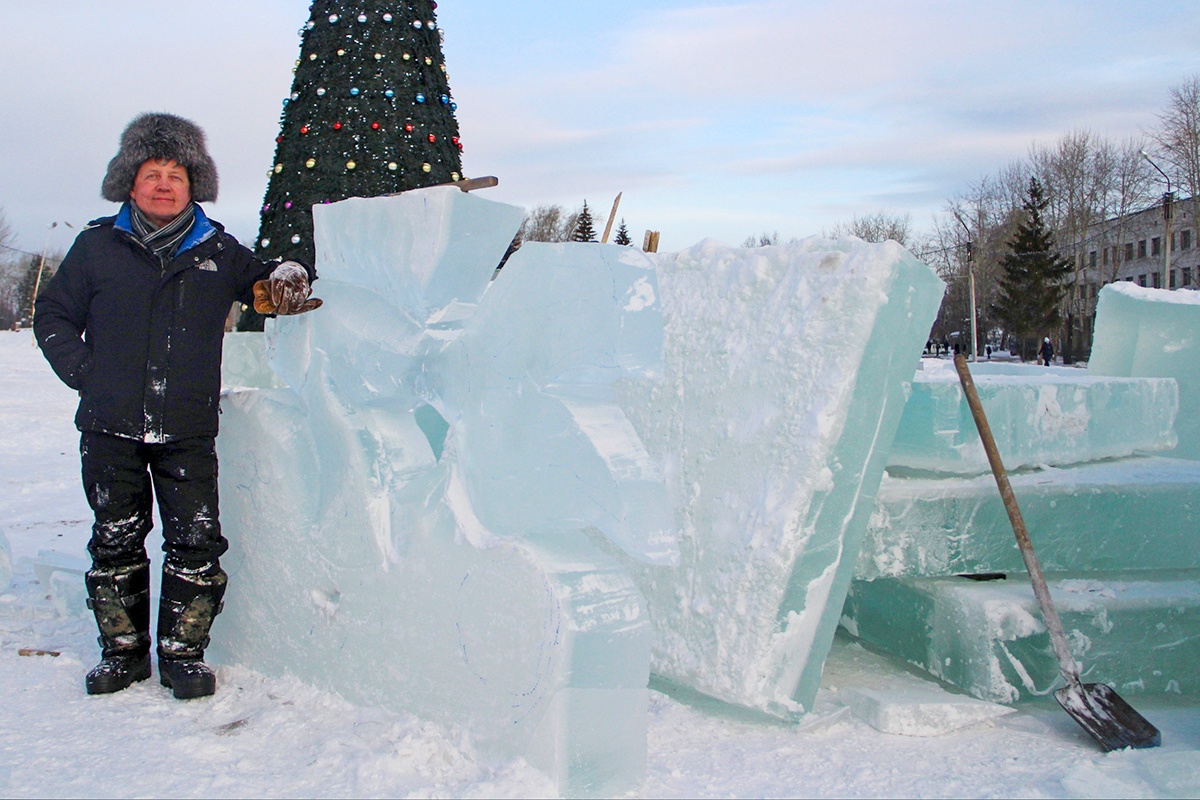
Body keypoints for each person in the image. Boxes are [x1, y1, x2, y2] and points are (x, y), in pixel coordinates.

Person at [34, 113, 321, 700]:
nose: (164, 185)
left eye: (176, 175)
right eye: (151, 173)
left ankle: (183, 657)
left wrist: (291, 274)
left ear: (194, 187)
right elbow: (53, 315)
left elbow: (270, 280)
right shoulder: (95, 246)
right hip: (109, 426)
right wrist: (85, 374)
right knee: (115, 536)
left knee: (195, 540)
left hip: (187, 426)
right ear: (129, 183)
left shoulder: (216, 248)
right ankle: (121, 654)